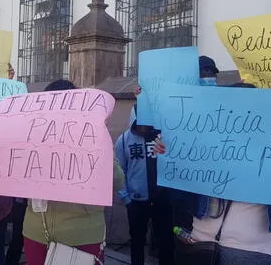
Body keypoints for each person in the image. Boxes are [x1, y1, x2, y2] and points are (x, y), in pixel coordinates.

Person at [154, 83, 271, 265]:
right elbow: (178, 196)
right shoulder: (204, 144)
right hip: (202, 244)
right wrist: (169, 155)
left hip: (256, 251)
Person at [20, 79, 125, 265]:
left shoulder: (94, 136)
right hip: (36, 233)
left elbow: (117, 181)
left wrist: (97, 144)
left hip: (81, 237)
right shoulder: (29, 135)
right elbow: (12, 180)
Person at [115, 104, 173, 265]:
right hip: (136, 201)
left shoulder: (163, 137)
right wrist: (127, 200)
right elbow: (120, 172)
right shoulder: (124, 140)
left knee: (166, 241)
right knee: (137, 241)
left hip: (162, 199)